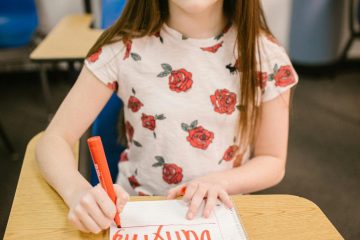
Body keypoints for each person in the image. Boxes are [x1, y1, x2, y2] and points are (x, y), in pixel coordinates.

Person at [36, 0, 299, 234]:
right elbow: (53, 140)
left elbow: (273, 160)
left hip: (222, 217)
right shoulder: (123, 48)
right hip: (135, 216)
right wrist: (77, 193)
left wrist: (219, 182)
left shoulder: (265, 55)